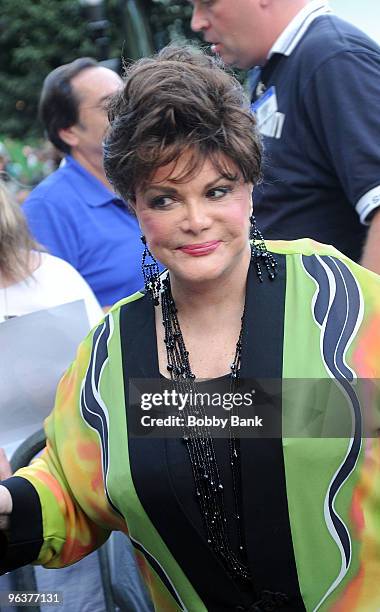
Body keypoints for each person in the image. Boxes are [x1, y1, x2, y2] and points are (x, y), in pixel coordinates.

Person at [1, 45, 380, 611]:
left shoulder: (336, 298)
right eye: (165, 198)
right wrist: (11, 506)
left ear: (250, 187)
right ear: (134, 205)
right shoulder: (114, 349)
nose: (195, 220)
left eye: (216, 190)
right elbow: (74, 489)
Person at [190, 0, 380, 274]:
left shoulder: (334, 59)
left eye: (209, 3)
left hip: (338, 312)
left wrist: (369, 316)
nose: (197, 22)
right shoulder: (277, 65)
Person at [22, 57, 145, 309]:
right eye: (110, 104)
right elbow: (47, 319)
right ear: (69, 132)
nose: (129, 110)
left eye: (128, 97)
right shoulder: (47, 209)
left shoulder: (152, 179)